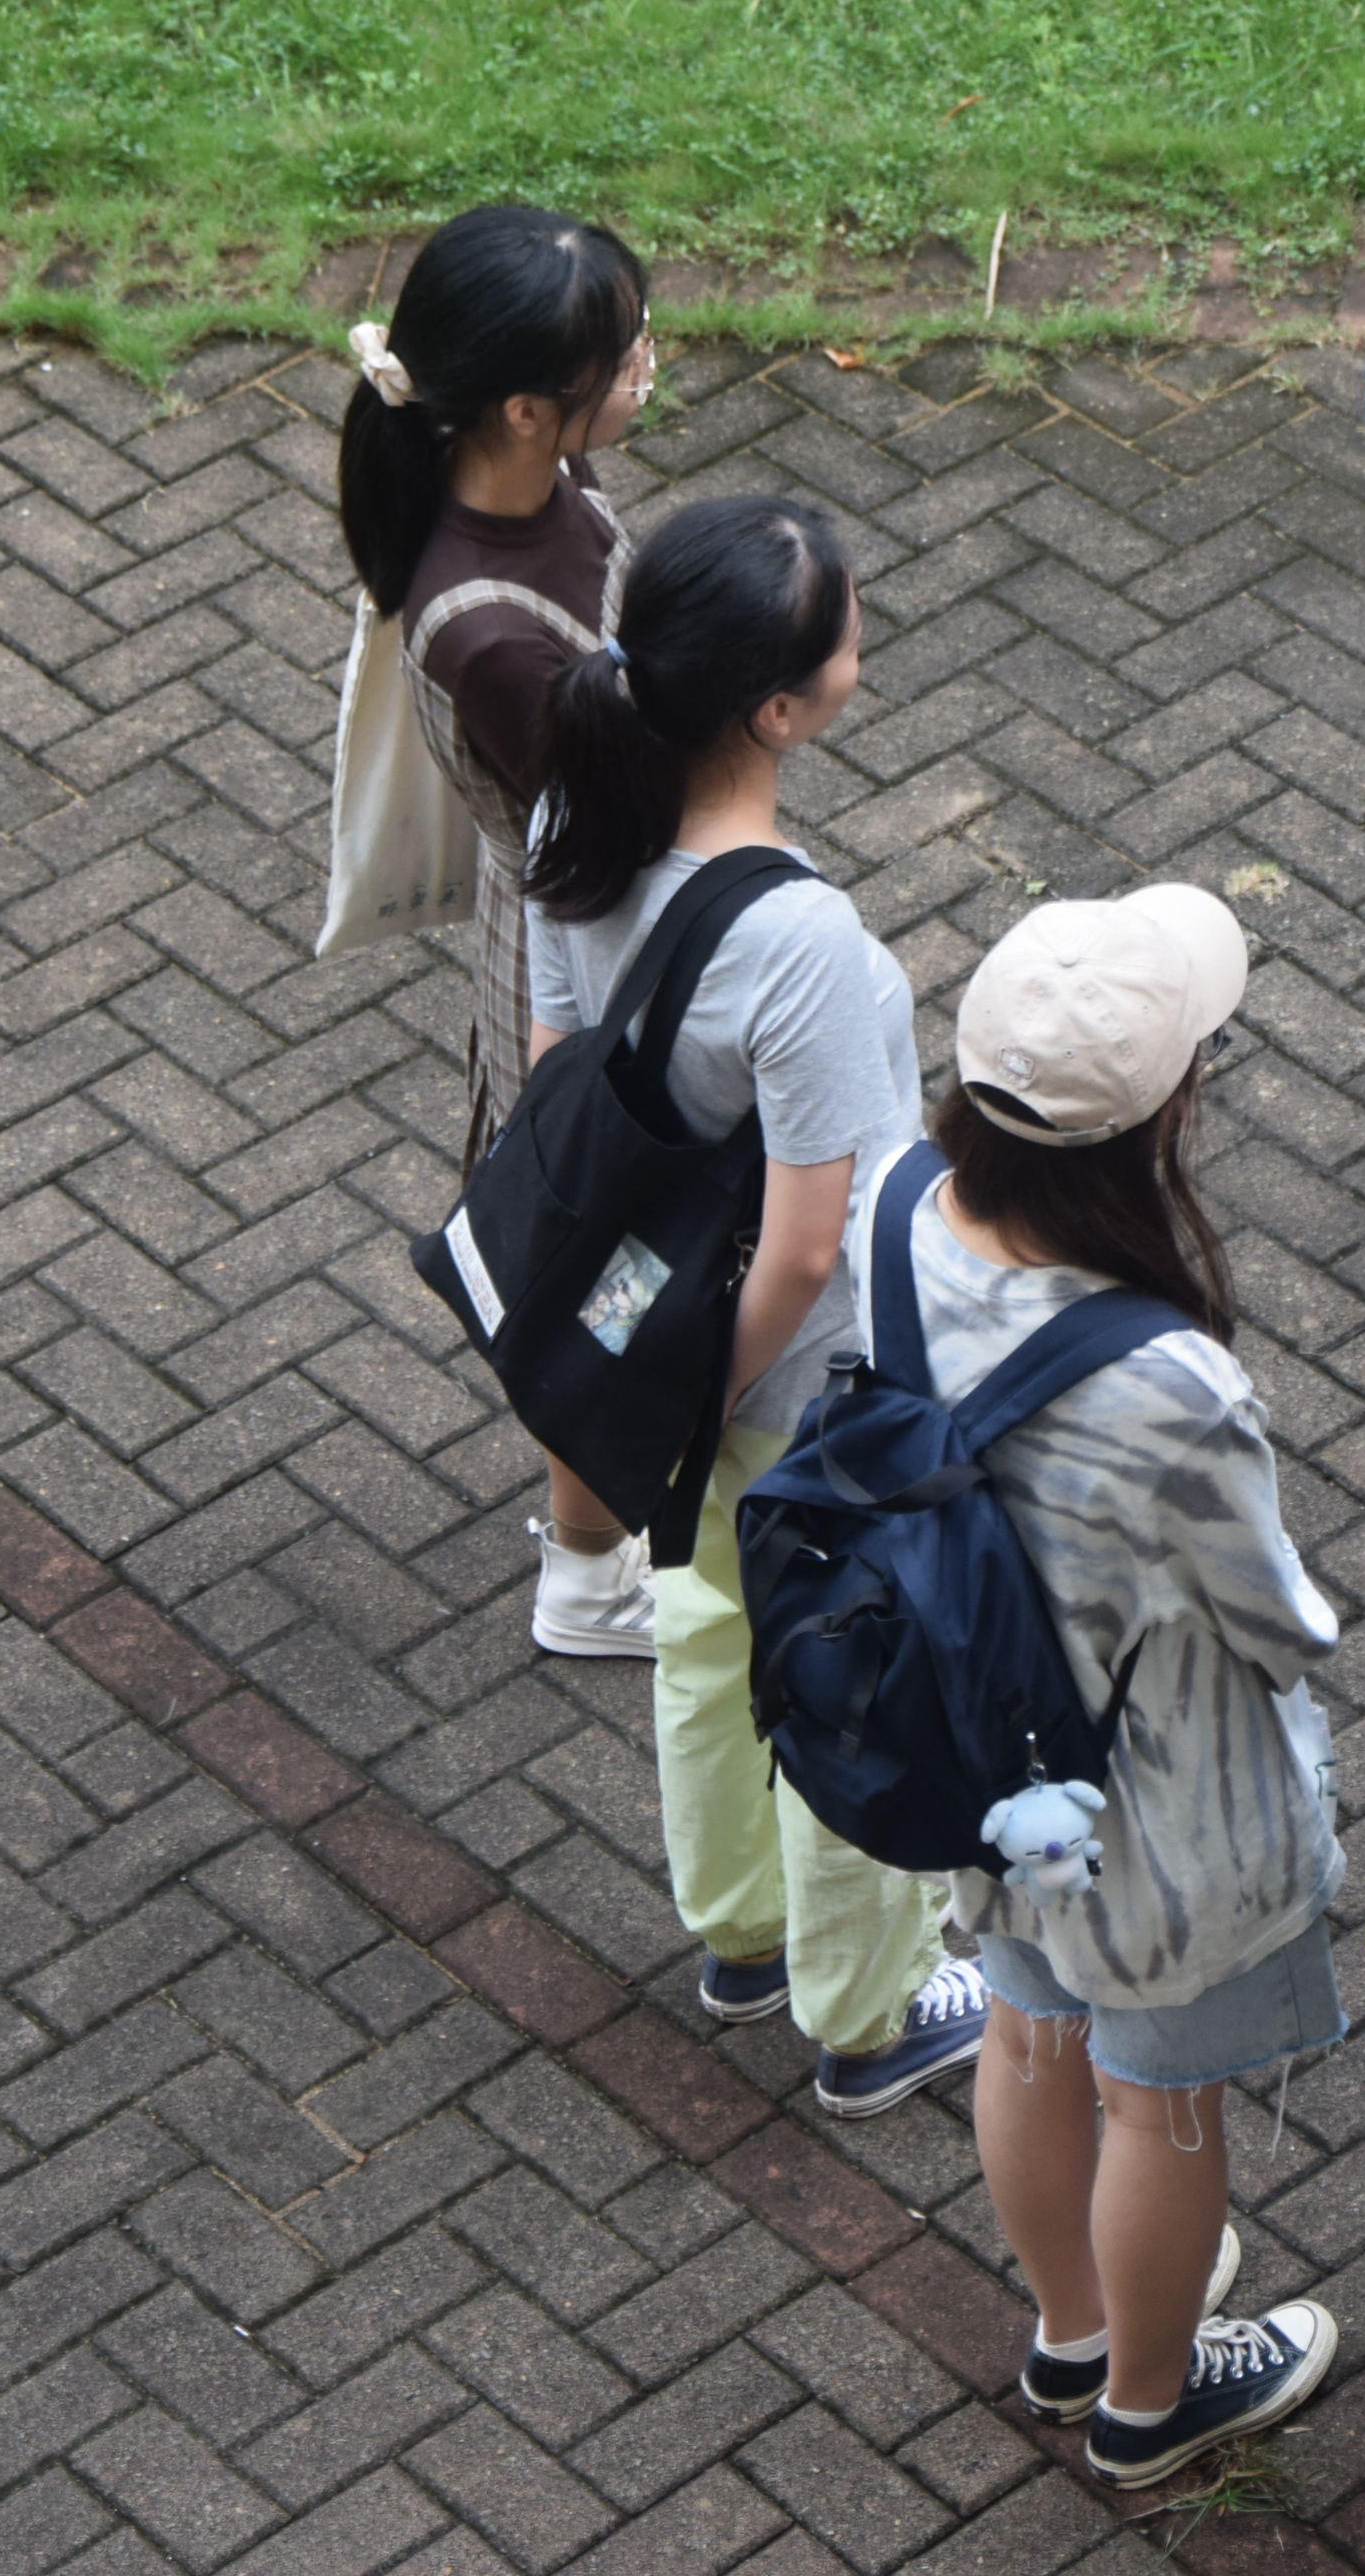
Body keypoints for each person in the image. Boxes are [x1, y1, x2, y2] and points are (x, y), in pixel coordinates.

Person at [519, 492, 981, 2113]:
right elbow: (809, 1243)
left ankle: (742, 1937)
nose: (863, 644)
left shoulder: (571, 836)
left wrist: (654, 1407)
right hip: (805, 1379)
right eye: (846, 631)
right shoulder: (809, 949)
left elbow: (559, 1095)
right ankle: (872, 2011)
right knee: (849, 1674)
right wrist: (716, 1397)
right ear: (780, 710)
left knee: (706, 1639)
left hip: (658, 1345)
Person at [920, 887, 1352, 2488]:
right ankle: (1154, 2408)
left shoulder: (909, 1218)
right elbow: (1278, 1619)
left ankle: (1074, 2330)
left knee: (1027, 2035)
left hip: (987, 1762)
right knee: (1162, 2094)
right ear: (1160, 1113)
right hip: (1162, 1806)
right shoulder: (1165, 1383)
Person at [340, 202, 662, 1655]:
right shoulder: (483, 629)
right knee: (607, 1279)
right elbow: (613, 823)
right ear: (528, 408)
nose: (651, 359)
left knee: (627, 1265)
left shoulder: (536, 468)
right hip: (590, 957)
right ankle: (590, 1576)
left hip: (603, 905)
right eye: (624, 350)